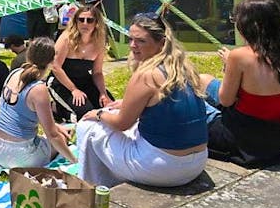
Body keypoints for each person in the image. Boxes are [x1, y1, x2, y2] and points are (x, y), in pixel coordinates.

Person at [76, 13, 209, 188]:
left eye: (140, 41)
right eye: (130, 39)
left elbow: (121, 123)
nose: (133, 46)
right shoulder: (183, 68)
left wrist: (99, 113)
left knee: (88, 126)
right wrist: (126, 104)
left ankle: (93, 186)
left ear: (161, 43)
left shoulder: (146, 75)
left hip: (164, 168)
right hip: (197, 163)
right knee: (122, 118)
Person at [200, 0, 280, 167]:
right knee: (203, 80)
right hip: (275, 140)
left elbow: (225, 100)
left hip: (241, 139)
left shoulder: (239, 57)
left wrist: (229, 66)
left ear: (248, 25)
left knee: (193, 96)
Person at [0, 38, 77, 169]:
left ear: (28, 55)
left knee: (60, 133)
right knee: (62, 140)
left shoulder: (14, 74)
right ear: (52, 61)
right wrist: (74, 160)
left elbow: (25, 115)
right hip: (18, 156)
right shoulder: (39, 90)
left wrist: (58, 128)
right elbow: (52, 136)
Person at [47, 5, 112, 122]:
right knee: (85, 116)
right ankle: (57, 110)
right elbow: (55, 67)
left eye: (90, 20)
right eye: (81, 20)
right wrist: (74, 90)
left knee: (108, 109)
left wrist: (103, 93)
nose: (85, 23)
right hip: (61, 82)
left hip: (85, 81)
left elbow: (97, 73)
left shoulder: (99, 42)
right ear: (76, 21)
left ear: (96, 23)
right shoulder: (67, 38)